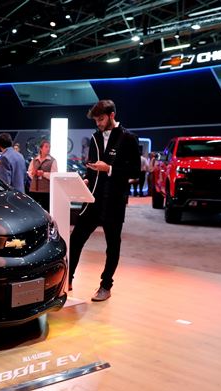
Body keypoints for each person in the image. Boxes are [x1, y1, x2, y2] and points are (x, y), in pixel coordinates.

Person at [68, 100, 140, 302]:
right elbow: (92, 166)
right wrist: (87, 178)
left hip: (114, 201)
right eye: (96, 120)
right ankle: (68, 280)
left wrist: (109, 168)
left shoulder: (128, 138)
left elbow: (136, 171)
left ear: (111, 115)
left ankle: (106, 286)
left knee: (112, 245)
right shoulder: (95, 137)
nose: (98, 123)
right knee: (75, 240)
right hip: (92, 199)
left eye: (101, 119)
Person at [27, 140, 58, 211]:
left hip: (46, 191)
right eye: (46, 147)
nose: (48, 149)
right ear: (41, 148)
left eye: (49, 147)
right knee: (33, 210)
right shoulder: (34, 160)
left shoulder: (52, 161)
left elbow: (54, 176)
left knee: (46, 210)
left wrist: (43, 174)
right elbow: (29, 172)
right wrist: (33, 173)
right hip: (34, 190)